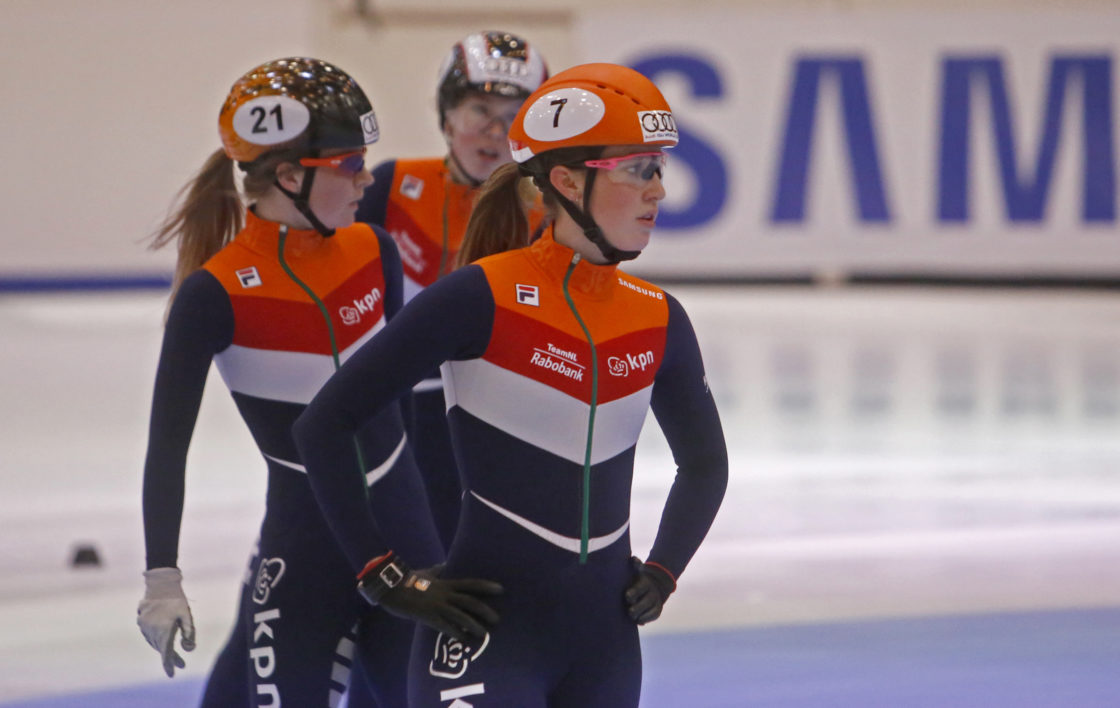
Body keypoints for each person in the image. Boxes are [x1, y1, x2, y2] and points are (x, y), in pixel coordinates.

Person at [292, 63, 729, 707]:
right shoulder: (480, 296)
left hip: (605, 649)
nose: (659, 190)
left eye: (658, 167)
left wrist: (664, 571)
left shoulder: (660, 317)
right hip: (485, 639)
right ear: (567, 181)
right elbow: (325, 424)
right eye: (638, 169)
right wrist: (381, 577)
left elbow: (706, 464)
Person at [135, 57, 449, 707]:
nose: (366, 178)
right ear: (287, 176)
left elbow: (405, 401)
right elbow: (168, 446)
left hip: (406, 530)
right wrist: (162, 577)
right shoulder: (214, 294)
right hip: (307, 549)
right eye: (349, 164)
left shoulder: (375, 251)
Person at [354, 30, 549, 550]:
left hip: (488, 422)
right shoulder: (392, 185)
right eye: (479, 110)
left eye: (513, 116)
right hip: (390, 413)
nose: (495, 131)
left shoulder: (546, 213)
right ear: (446, 116)